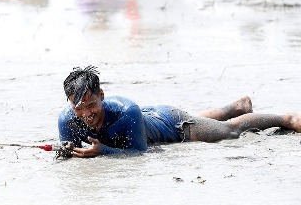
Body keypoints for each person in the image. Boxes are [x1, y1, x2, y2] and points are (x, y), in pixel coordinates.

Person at [59, 66, 301, 157]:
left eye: (91, 105)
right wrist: (65, 149)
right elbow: (65, 148)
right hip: (150, 119)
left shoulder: (126, 112)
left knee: (230, 131)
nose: (86, 113)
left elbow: (138, 153)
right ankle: (236, 107)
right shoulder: (66, 120)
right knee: (198, 118)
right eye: (78, 108)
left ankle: (287, 119)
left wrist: (104, 151)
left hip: (173, 126)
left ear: (102, 95)